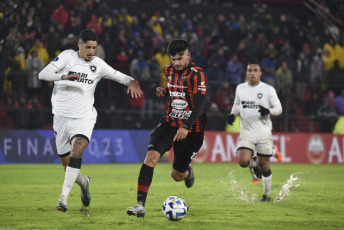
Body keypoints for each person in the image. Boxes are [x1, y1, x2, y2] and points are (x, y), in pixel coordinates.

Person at [38, 29, 142, 212]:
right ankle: (84, 182)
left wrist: (131, 81)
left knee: (77, 152)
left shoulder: (98, 64)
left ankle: (63, 199)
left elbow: (118, 75)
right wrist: (64, 76)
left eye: (94, 47)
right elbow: (43, 75)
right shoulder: (66, 58)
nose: (91, 51)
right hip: (61, 117)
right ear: (79, 44)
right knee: (67, 164)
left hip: (84, 117)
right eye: (88, 47)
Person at [126, 39, 208, 217]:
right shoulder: (168, 70)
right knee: (150, 158)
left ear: (188, 55)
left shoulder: (197, 74)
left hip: (191, 129)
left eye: (180, 58)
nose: (176, 63)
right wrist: (165, 91)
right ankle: (140, 204)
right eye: (173, 59)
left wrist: (186, 126)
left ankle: (188, 171)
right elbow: (177, 90)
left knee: (177, 175)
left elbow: (200, 106)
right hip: (169, 123)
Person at [227, 62, 282, 201]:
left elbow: (279, 108)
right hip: (246, 132)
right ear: (246, 73)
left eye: (255, 70)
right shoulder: (240, 88)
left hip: (263, 132)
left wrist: (269, 111)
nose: (252, 73)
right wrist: (233, 115)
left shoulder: (268, 89)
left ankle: (267, 195)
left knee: (265, 166)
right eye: (250, 70)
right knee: (243, 161)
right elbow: (236, 105)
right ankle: (254, 163)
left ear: (260, 73)